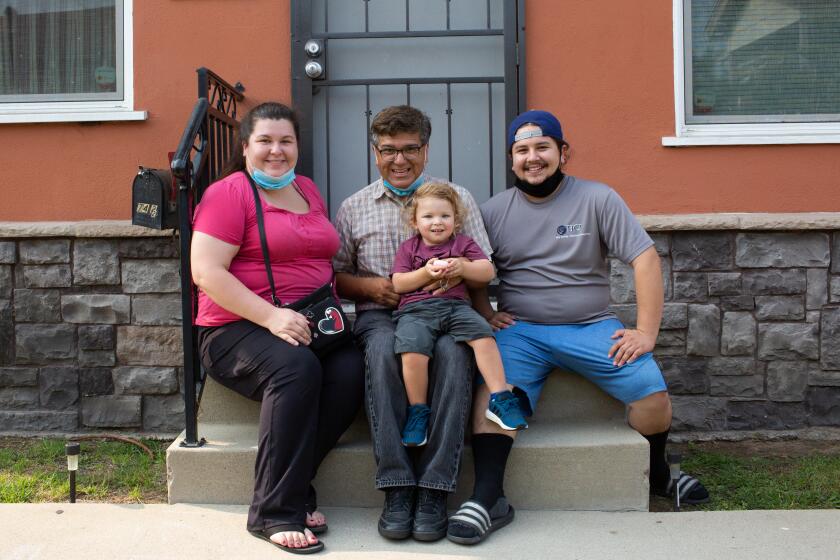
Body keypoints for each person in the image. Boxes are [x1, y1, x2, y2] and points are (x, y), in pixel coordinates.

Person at [447, 110, 709, 545]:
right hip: (521, 331)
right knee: (496, 399)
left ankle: (658, 472)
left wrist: (646, 332)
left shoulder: (598, 199)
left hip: (591, 327)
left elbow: (644, 258)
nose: (533, 158)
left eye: (542, 147)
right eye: (522, 150)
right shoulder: (492, 211)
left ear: (563, 153)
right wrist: (484, 311)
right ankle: (488, 497)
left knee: (653, 396)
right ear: (511, 159)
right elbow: (475, 268)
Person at [191, 102, 364, 554]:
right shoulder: (229, 193)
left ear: (297, 147)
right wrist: (271, 316)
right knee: (295, 369)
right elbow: (207, 272)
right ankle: (274, 510)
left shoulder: (306, 188)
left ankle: (296, 484)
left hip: (307, 322)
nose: (276, 150)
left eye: (285, 140)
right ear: (245, 146)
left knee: (350, 371)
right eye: (265, 140)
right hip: (235, 328)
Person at [333, 105, 492, 542]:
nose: (399, 160)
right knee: (384, 351)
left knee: (452, 355)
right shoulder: (354, 207)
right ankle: (398, 486)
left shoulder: (454, 199)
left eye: (409, 150)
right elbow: (335, 274)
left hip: (447, 311)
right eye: (388, 151)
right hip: (381, 314)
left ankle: (436, 488)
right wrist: (369, 289)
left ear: (426, 149)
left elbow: (483, 264)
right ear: (374, 152)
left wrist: (485, 313)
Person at [391, 183, 528, 447]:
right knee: (412, 351)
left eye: (445, 216)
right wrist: (425, 273)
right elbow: (398, 284)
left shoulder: (463, 244)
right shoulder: (409, 248)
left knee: (484, 337)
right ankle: (418, 410)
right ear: (414, 221)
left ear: (456, 220)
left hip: (457, 308)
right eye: (428, 217)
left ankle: (500, 398)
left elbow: (487, 272)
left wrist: (462, 267)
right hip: (416, 311)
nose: (437, 222)